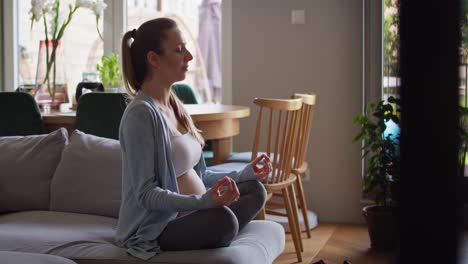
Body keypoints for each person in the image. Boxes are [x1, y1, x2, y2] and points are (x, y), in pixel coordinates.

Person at [115, 17, 272, 260]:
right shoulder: (140, 115)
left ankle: (215, 233)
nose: (188, 56)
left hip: (196, 211)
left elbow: (202, 176)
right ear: (153, 59)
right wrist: (203, 202)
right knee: (224, 221)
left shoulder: (176, 105)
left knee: (255, 190)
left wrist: (244, 174)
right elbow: (145, 194)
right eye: (179, 50)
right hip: (159, 226)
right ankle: (219, 232)